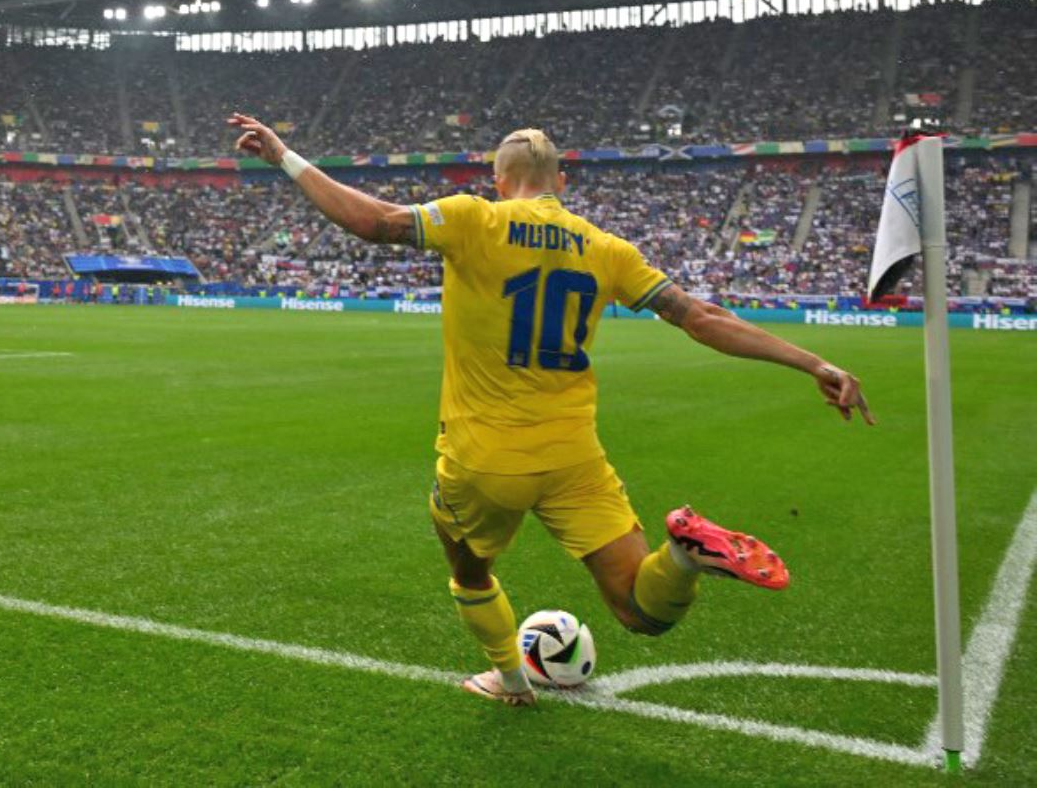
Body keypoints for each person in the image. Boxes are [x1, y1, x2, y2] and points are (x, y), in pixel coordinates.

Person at [227, 115, 873, 706]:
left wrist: (283, 154)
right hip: (574, 457)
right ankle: (684, 556)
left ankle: (509, 682)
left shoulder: (473, 217)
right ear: (560, 181)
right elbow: (700, 318)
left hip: (485, 458)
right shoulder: (604, 247)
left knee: (469, 568)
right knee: (640, 612)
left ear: (497, 179)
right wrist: (815, 363)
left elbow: (373, 220)